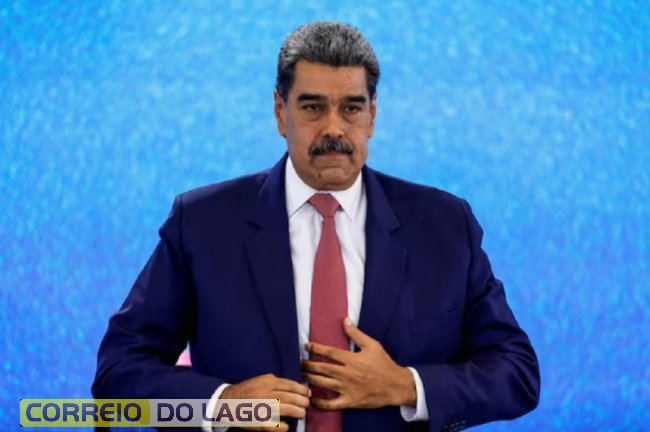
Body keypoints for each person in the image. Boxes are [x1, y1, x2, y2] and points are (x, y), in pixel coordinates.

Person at [92, 21, 540, 432]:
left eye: (351, 108)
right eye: (312, 107)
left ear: (373, 115)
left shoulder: (444, 226)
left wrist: (406, 386)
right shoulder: (202, 223)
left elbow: (516, 372)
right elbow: (119, 373)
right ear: (279, 111)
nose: (333, 129)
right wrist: (222, 404)